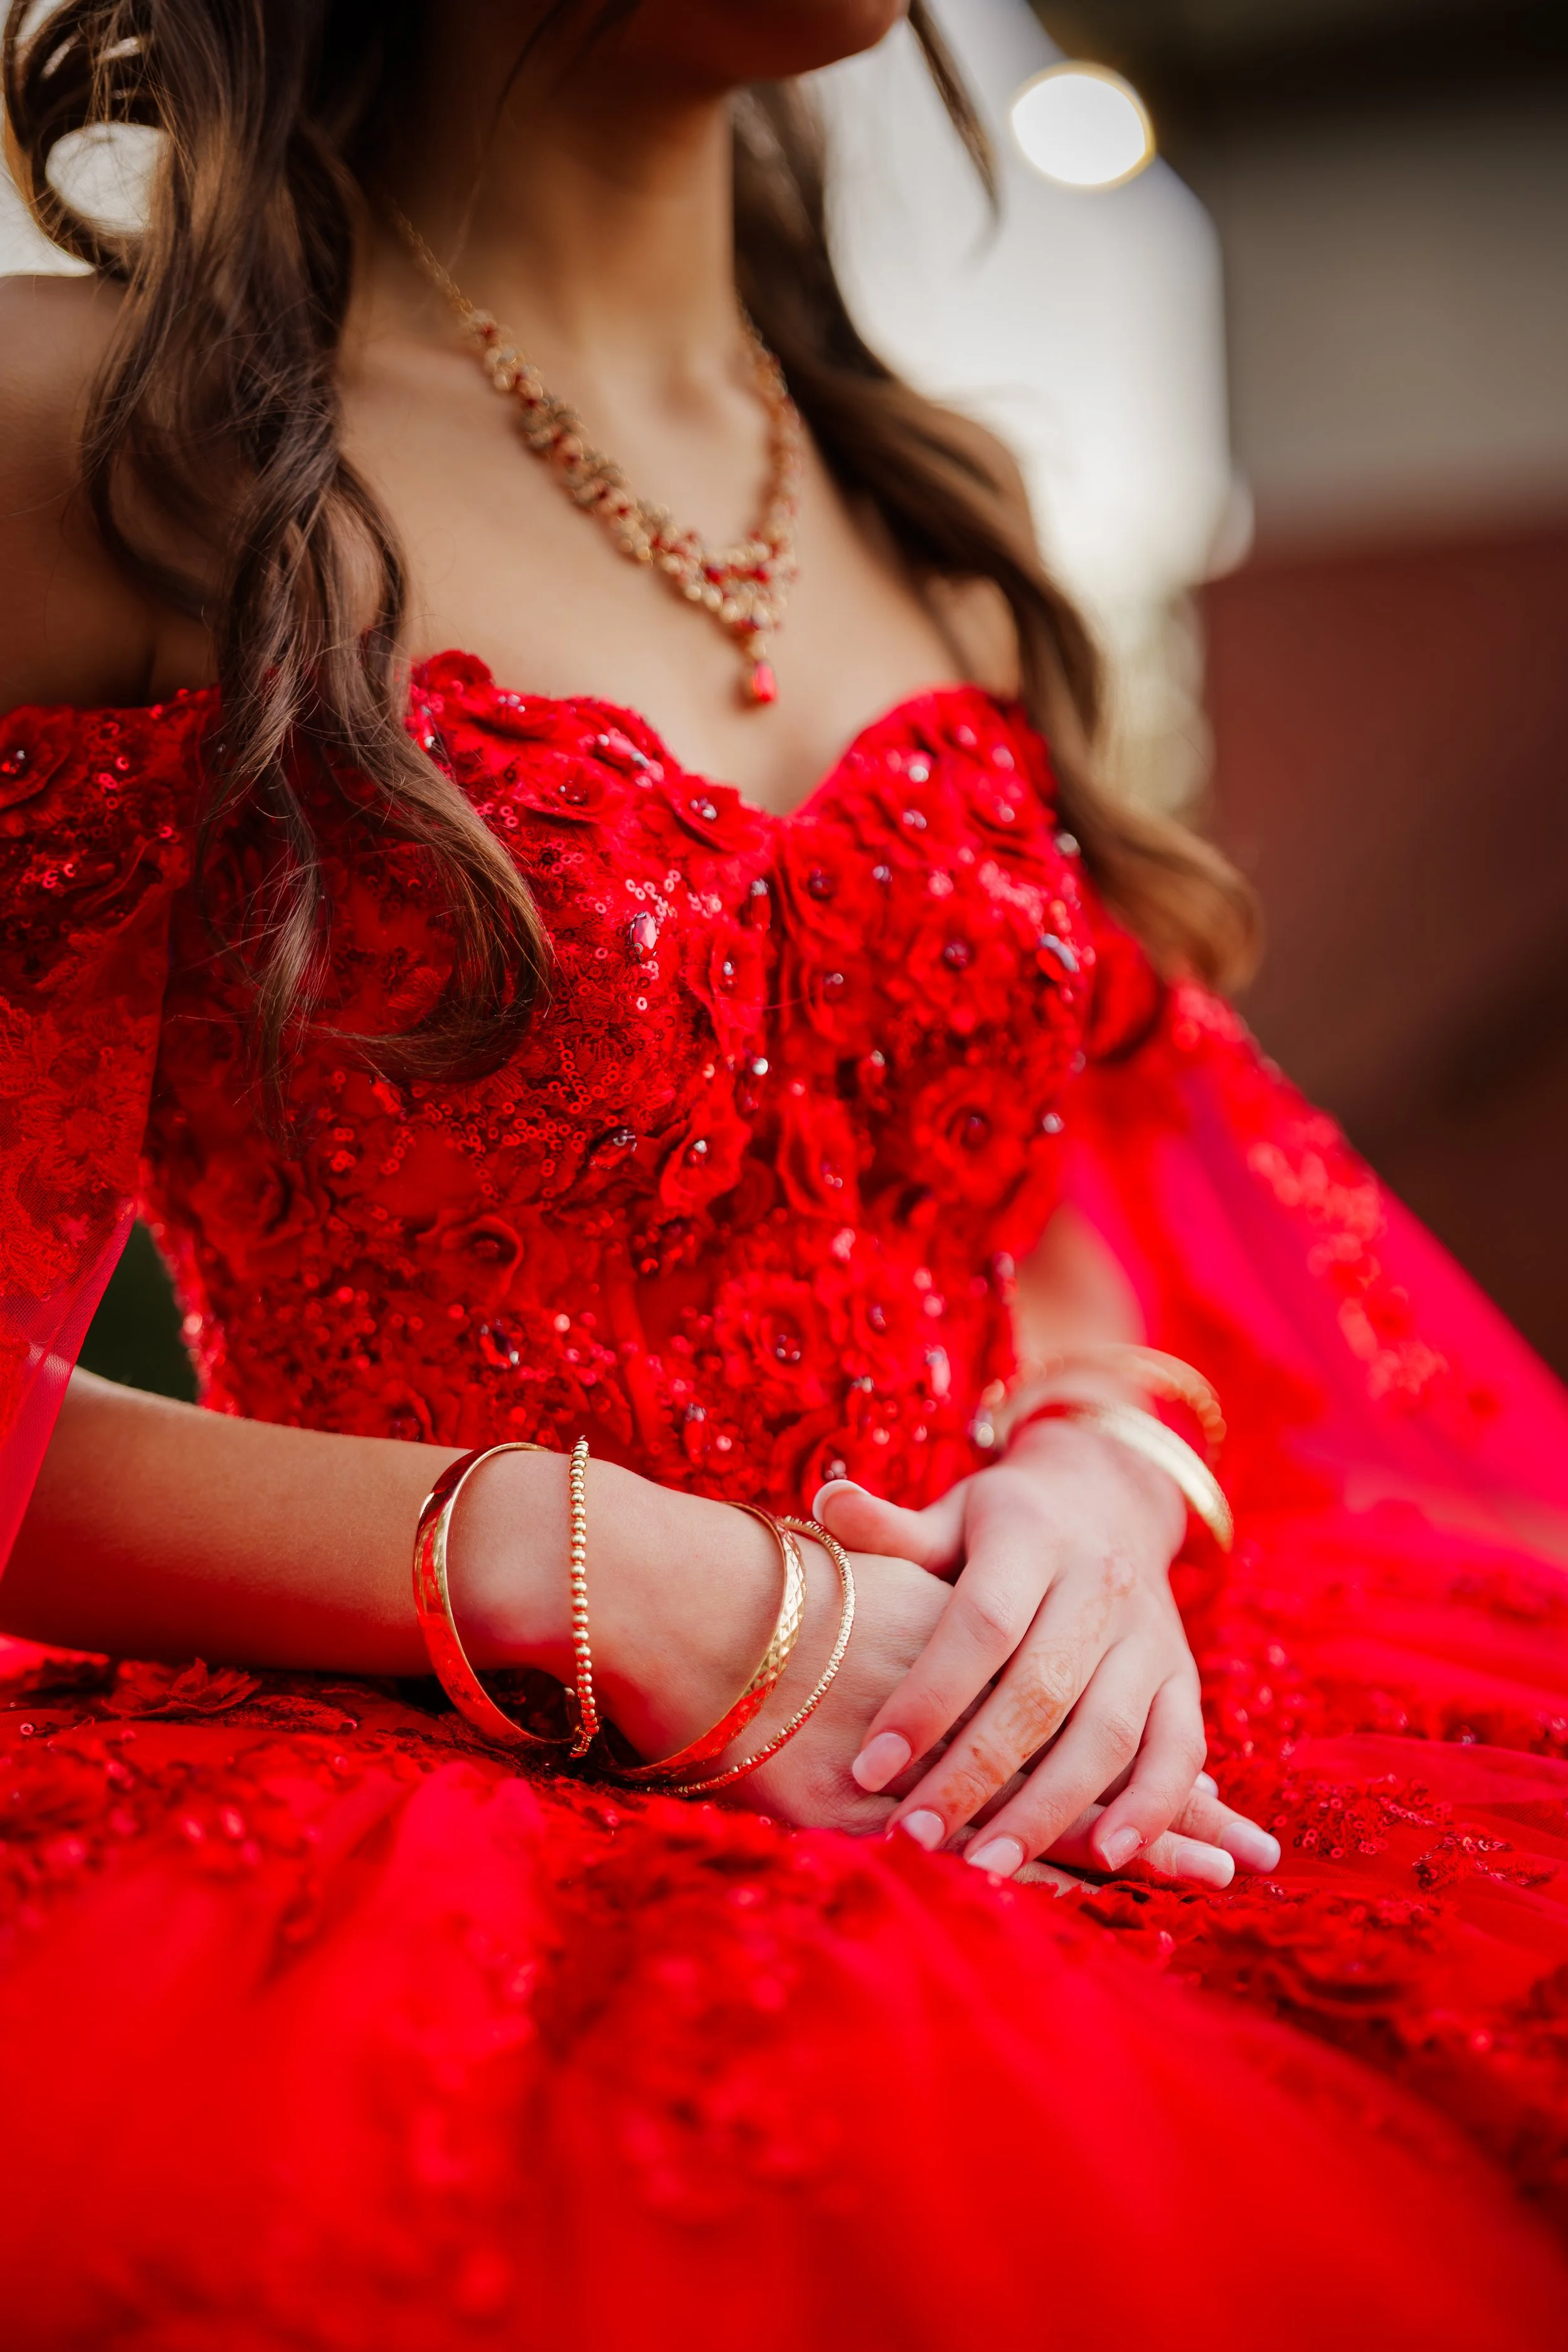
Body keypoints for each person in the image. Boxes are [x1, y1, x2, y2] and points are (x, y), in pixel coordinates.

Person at [1, 2, 1565, 2344]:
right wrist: (593, 1566)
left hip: (1040, 1718)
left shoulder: (940, 504)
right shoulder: (94, 434)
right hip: (401, 1825)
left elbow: (1040, 1168)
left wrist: (1097, 1474)